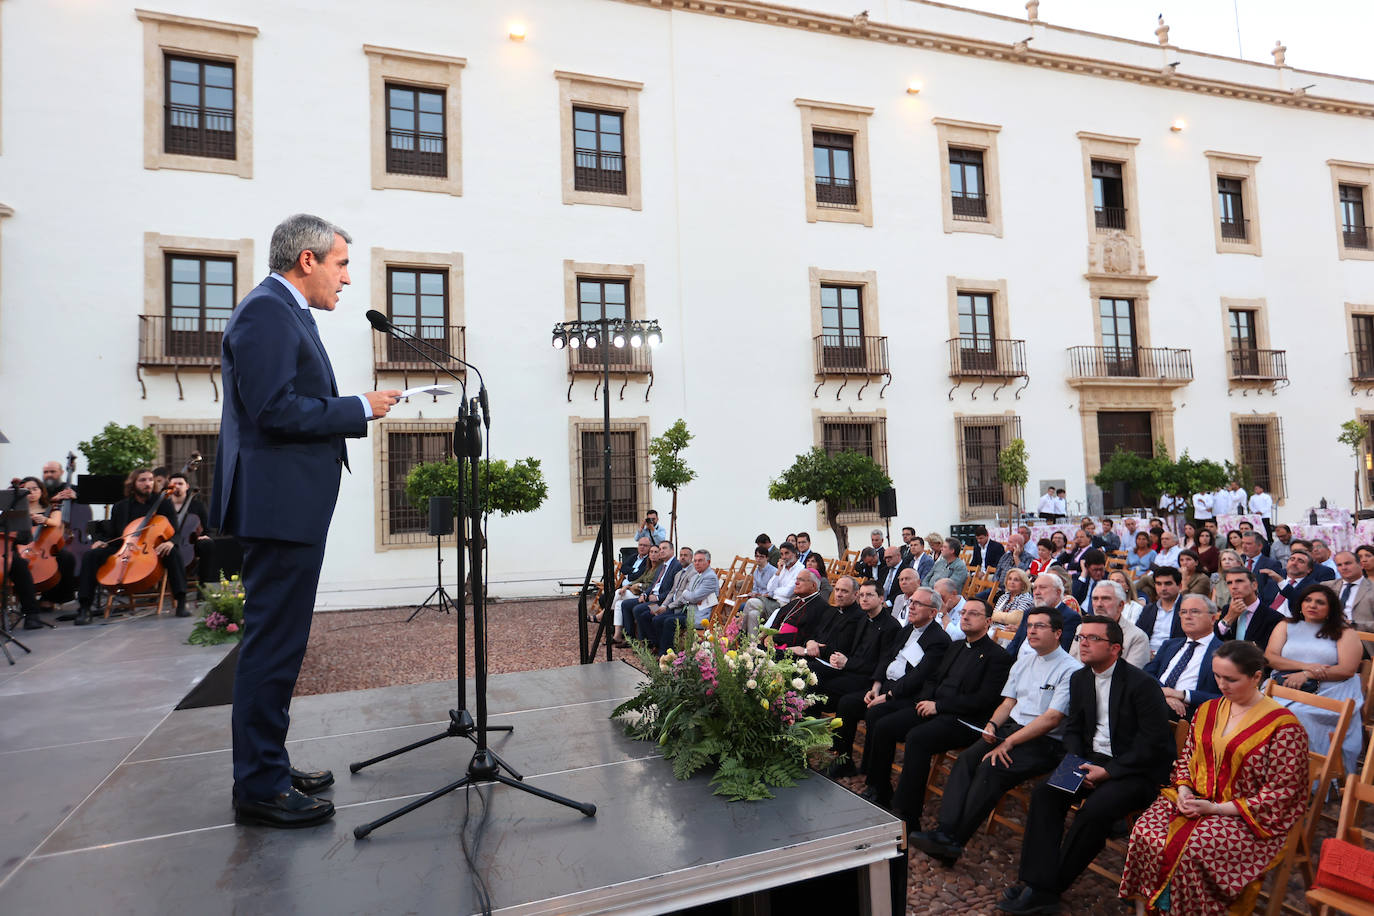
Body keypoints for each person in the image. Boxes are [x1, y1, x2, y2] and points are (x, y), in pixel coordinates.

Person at [211, 214, 401, 829]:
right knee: (273, 644)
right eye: (342, 264)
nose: (347, 279)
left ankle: (267, 762)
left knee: (281, 642)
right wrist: (358, 408)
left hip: (286, 504)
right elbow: (274, 410)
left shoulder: (284, 310)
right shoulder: (268, 310)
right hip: (277, 506)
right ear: (308, 261)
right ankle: (259, 786)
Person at [1120, 640, 1309, 915]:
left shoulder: (1283, 727)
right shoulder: (1208, 709)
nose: (1222, 685)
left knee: (1192, 851)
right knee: (1143, 832)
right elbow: (1187, 757)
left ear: (1257, 677)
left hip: (1247, 817)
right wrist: (1184, 790)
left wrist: (1217, 809)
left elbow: (1283, 792)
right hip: (1195, 798)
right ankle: (1146, 910)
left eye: (1231, 679)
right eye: (1217, 676)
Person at [999, 617, 1174, 914]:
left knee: (1095, 812)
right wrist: (1077, 763)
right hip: (1089, 760)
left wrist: (1109, 772)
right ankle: (1035, 881)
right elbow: (1074, 730)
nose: (1084, 643)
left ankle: (1049, 889)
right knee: (1046, 794)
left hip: (1133, 770)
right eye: (1081, 637)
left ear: (1115, 648)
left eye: (1093, 638)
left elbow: (1154, 743)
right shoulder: (1080, 678)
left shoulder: (1142, 684)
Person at [910, 607, 1081, 866]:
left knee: (991, 768)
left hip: (1044, 740)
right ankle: (945, 832)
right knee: (967, 760)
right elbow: (1008, 702)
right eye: (1030, 625)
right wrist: (992, 725)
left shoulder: (1070, 669)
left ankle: (953, 841)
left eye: (1039, 626)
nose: (1031, 631)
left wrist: (1010, 741)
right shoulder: (1024, 661)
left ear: (1058, 633)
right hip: (1009, 728)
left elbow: (1052, 718)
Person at [868, 598, 1012, 814]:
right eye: (963, 612)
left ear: (988, 621)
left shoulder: (998, 656)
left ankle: (907, 812)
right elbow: (933, 679)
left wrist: (939, 706)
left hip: (964, 719)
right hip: (936, 708)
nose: (965, 616)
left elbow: (983, 699)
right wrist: (926, 700)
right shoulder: (955, 647)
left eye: (973, 613)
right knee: (884, 724)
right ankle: (879, 790)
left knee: (918, 739)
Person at [827, 585, 950, 777]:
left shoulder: (939, 639)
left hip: (906, 694)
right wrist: (876, 687)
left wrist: (888, 696)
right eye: (911, 602)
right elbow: (887, 658)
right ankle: (844, 760)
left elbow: (919, 676)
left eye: (918, 603)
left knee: (876, 713)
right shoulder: (907, 629)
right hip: (885, 686)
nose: (911, 606)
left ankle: (874, 776)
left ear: (933, 612)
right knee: (847, 703)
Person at [1264, 583, 1364, 774]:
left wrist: (1307, 675)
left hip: (1331, 689)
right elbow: (1271, 657)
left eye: (1320, 602)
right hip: (1285, 685)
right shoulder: (1286, 625)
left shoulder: (1344, 632)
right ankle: (1264, 771)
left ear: (1330, 609)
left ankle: (1301, 776)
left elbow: (1347, 669)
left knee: (1296, 717)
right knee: (1257, 710)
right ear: (1300, 604)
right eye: (1308, 600)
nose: (1312, 605)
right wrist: (1306, 666)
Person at [74, 469, 190, 624]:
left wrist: (170, 542)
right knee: (91, 555)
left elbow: (175, 531)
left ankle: (182, 601)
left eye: (150, 480)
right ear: (133, 483)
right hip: (124, 546)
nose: (147, 483)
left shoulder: (163, 503)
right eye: (142, 480)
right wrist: (102, 541)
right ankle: (84, 607)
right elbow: (114, 533)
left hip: (154, 547)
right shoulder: (121, 506)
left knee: (173, 553)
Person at [810, 580, 903, 709]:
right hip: (850, 669)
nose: (864, 599)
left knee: (821, 687)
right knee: (812, 675)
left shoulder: (891, 626)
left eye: (869, 595)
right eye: (862, 595)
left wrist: (847, 663)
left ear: (881, 599)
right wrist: (837, 658)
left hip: (866, 677)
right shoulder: (863, 618)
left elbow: (882, 663)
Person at [1145, 594, 1223, 719]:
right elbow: (1147, 674)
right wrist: (1165, 695)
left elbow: (1225, 698)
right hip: (1158, 701)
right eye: (1183, 612)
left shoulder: (1224, 652)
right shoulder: (1170, 645)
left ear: (1213, 618)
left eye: (1195, 612)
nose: (1187, 616)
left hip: (1192, 712)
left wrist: (1183, 695)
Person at [645, 549, 720, 654]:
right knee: (657, 619)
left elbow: (693, 597)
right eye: (696, 561)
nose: (697, 563)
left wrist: (686, 593)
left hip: (698, 616)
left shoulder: (710, 577)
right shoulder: (697, 575)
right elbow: (686, 597)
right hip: (687, 610)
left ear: (708, 562)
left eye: (700, 560)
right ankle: (661, 648)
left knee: (669, 622)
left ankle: (666, 654)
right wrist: (668, 606)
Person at [1072, 579, 1149, 667]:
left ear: (1120, 606)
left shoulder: (1137, 637)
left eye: (1105, 599)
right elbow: (1072, 664)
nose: (1099, 604)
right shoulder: (1081, 629)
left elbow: (1131, 677)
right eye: (1095, 599)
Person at [1007, 573, 1080, 656]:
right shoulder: (1029, 613)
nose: (1037, 592)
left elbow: (1062, 654)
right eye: (1034, 588)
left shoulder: (1070, 617)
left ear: (1058, 592)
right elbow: (1014, 645)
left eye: (1042, 587)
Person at [1215, 568, 1285, 653]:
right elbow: (1215, 640)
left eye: (1239, 581)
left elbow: (1267, 652)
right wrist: (1228, 618)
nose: (1233, 587)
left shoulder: (1274, 618)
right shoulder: (1227, 610)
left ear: (1254, 585)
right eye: (1229, 583)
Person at [610, 539, 664, 646]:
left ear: (660, 555)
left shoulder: (660, 568)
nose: (652, 555)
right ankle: (627, 638)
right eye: (651, 552)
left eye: (655, 552)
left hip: (656, 603)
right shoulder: (650, 567)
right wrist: (628, 585)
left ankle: (643, 641)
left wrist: (638, 588)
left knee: (633, 606)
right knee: (620, 604)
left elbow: (652, 585)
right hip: (646, 596)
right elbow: (640, 578)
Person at [165, 472, 216, 585]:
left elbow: (208, 527)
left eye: (180, 483)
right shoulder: (164, 506)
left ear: (187, 486)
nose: (177, 486)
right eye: (174, 484)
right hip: (169, 542)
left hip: (190, 542)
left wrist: (207, 536)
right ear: (169, 486)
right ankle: (158, 589)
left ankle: (203, 585)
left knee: (207, 544)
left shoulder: (197, 505)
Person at [742, 542, 800, 633]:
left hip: (784, 605)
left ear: (794, 553)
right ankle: (751, 645)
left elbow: (788, 592)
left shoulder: (799, 569)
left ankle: (737, 631)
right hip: (772, 601)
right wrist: (778, 572)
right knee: (753, 614)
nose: (784, 557)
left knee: (751, 602)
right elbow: (770, 588)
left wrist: (776, 590)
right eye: (781, 554)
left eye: (787, 553)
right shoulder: (782, 568)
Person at [1136, 567, 1185, 656]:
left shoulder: (1187, 609)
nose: (1163, 588)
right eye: (1159, 584)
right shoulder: (1148, 609)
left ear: (1180, 586)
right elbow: (1138, 634)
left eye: (1168, 584)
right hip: (1146, 654)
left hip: (1173, 656)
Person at [1334, 550, 1374, 630]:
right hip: (1329, 637)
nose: (1344, 568)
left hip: (1362, 639)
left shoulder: (1372, 588)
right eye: (1339, 565)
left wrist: (1353, 624)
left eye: (1348, 563)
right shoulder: (1327, 586)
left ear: (1361, 565)